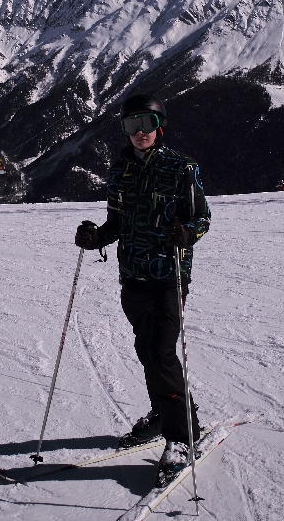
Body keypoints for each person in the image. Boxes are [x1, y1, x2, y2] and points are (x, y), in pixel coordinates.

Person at [75, 93, 211, 482]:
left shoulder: (182, 168)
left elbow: (202, 219)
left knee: (161, 353)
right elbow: (116, 223)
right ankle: (165, 410)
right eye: (131, 125)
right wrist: (95, 238)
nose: (139, 133)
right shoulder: (121, 171)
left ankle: (182, 436)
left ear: (159, 127)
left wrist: (186, 232)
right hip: (132, 276)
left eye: (146, 124)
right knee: (146, 350)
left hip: (168, 276)